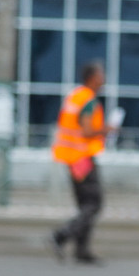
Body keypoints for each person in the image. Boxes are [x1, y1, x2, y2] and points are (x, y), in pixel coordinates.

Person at [50, 61, 107, 265]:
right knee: (94, 203)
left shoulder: (75, 95)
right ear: (93, 78)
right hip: (82, 158)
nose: (104, 79)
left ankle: (82, 249)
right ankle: (62, 235)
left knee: (85, 204)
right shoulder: (88, 101)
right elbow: (86, 131)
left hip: (71, 157)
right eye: (101, 75)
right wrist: (107, 129)